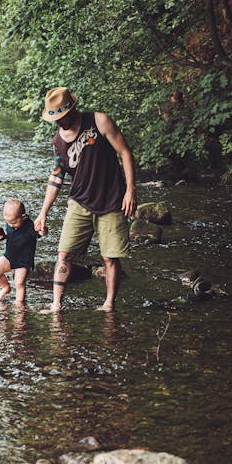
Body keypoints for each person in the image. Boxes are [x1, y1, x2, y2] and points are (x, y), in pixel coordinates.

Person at [34, 87, 137, 313]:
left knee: (109, 258)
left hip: (111, 201)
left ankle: (109, 305)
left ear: (72, 109)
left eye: (62, 117)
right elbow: (56, 177)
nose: (60, 123)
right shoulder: (58, 142)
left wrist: (130, 190)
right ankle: (56, 305)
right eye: (56, 119)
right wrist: (43, 213)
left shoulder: (99, 121)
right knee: (64, 254)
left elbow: (125, 152)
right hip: (79, 202)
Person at [0, 199, 40, 305]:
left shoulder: (30, 226)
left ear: (23, 217)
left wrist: (43, 229)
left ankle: (19, 305)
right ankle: (6, 287)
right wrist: (3, 236)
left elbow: (41, 233)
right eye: (8, 222)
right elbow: (11, 234)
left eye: (13, 222)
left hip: (23, 261)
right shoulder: (11, 223)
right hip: (9, 256)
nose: (11, 225)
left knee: (19, 283)